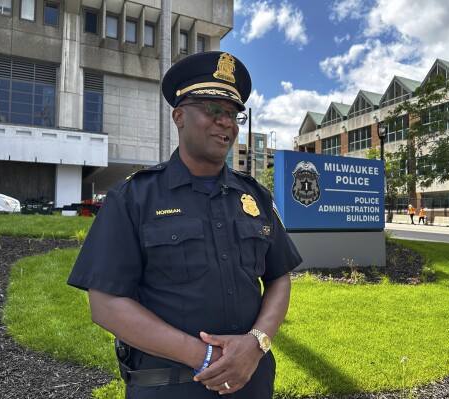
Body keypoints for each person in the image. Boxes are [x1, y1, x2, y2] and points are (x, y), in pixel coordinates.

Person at [67, 51, 302, 399]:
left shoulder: (256, 197)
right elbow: (106, 304)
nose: (227, 122)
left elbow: (279, 275)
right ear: (179, 115)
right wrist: (208, 357)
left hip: (252, 383)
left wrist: (256, 343)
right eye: (212, 109)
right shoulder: (133, 197)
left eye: (233, 114)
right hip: (169, 387)